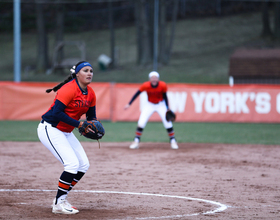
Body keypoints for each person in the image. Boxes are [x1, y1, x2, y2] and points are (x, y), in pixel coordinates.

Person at [37, 61, 97, 214]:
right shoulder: (69, 89)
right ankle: (59, 203)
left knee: (83, 165)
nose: (89, 73)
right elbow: (57, 113)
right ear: (77, 74)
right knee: (72, 164)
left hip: (66, 131)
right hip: (50, 128)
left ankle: (61, 198)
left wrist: (94, 126)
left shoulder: (90, 93)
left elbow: (91, 117)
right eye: (85, 70)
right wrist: (79, 125)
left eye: (91, 70)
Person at [124, 71, 179, 150]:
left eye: (155, 78)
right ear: (150, 79)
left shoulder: (162, 85)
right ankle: (136, 141)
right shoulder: (146, 85)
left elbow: (165, 96)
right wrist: (129, 103)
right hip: (150, 104)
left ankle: (173, 141)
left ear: (158, 79)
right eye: (152, 78)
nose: (154, 79)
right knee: (141, 122)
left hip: (161, 104)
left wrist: (167, 107)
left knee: (168, 123)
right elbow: (137, 93)